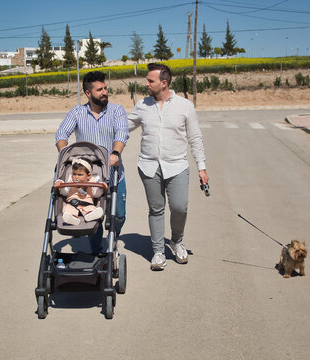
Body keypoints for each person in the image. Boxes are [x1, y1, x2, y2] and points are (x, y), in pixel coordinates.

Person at [128, 63, 209, 271]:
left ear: (163, 83)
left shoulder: (184, 106)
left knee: (179, 207)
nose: (146, 84)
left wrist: (201, 167)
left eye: (150, 80)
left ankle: (176, 241)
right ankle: (157, 252)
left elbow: (195, 138)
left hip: (177, 166)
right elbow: (124, 127)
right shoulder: (142, 105)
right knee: (156, 210)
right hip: (148, 166)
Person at [55, 71, 129, 252]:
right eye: (99, 89)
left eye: (105, 88)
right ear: (88, 93)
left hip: (113, 174)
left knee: (119, 214)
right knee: (91, 213)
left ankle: (113, 236)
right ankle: (96, 250)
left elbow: (121, 133)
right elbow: (61, 135)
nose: (105, 92)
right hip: (86, 178)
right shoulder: (77, 112)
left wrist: (115, 153)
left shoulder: (116, 110)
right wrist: (65, 155)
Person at [55, 158, 104, 226]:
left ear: (88, 175)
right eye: (74, 174)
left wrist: (100, 187)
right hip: (72, 203)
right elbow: (64, 192)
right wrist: (61, 185)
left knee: (91, 209)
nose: (76, 177)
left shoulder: (92, 182)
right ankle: (72, 219)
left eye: (79, 175)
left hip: (87, 204)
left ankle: (90, 216)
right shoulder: (71, 181)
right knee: (67, 209)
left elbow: (96, 195)